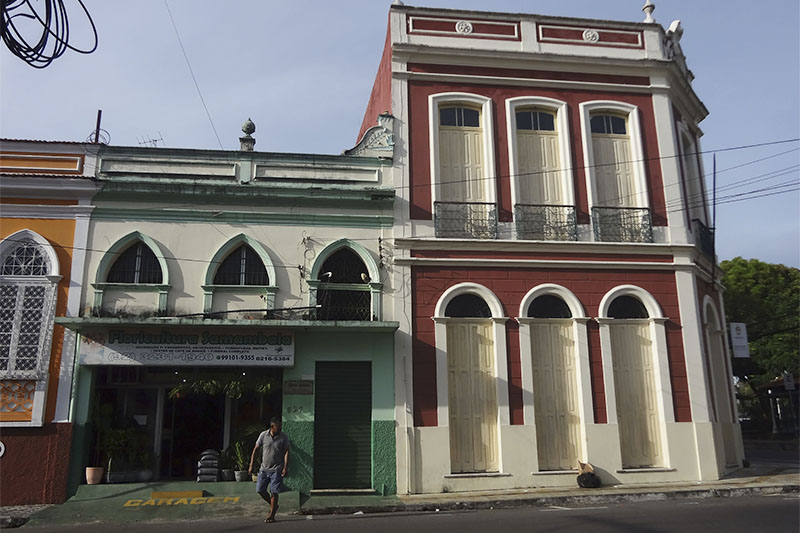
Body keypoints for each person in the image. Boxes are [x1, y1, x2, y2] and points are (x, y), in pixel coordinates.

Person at [249, 416, 290, 523]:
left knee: (274, 492)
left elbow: (286, 452)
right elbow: (256, 449)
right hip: (264, 468)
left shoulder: (283, 437)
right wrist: (251, 464)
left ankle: (271, 514)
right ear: (272, 426)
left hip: (277, 469)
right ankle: (274, 505)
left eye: (281, 425)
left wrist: (285, 467)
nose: (280, 428)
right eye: (278, 426)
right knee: (260, 490)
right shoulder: (263, 435)